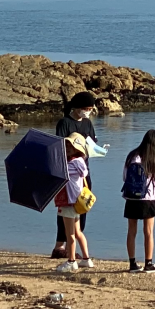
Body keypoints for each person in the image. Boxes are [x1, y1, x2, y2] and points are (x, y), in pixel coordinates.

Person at [53, 94, 99, 252]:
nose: (88, 112)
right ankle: (61, 245)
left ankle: (75, 245)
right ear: (77, 108)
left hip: (83, 172)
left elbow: (93, 142)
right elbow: (58, 147)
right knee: (64, 208)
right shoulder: (65, 123)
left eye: (90, 109)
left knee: (83, 205)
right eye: (86, 109)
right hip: (66, 172)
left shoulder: (87, 123)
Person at [122, 129, 155, 274]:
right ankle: (148, 263)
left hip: (131, 197)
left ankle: (132, 264)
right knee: (148, 231)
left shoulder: (132, 156)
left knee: (131, 231)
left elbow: (124, 177)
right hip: (148, 199)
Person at [52, 133, 94, 271]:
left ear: (78, 149)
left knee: (69, 233)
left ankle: (71, 261)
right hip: (77, 202)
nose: (68, 147)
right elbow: (84, 174)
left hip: (69, 202)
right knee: (77, 232)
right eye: (67, 145)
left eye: (72, 145)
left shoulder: (71, 164)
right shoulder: (78, 162)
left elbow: (66, 174)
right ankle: (86, 259)